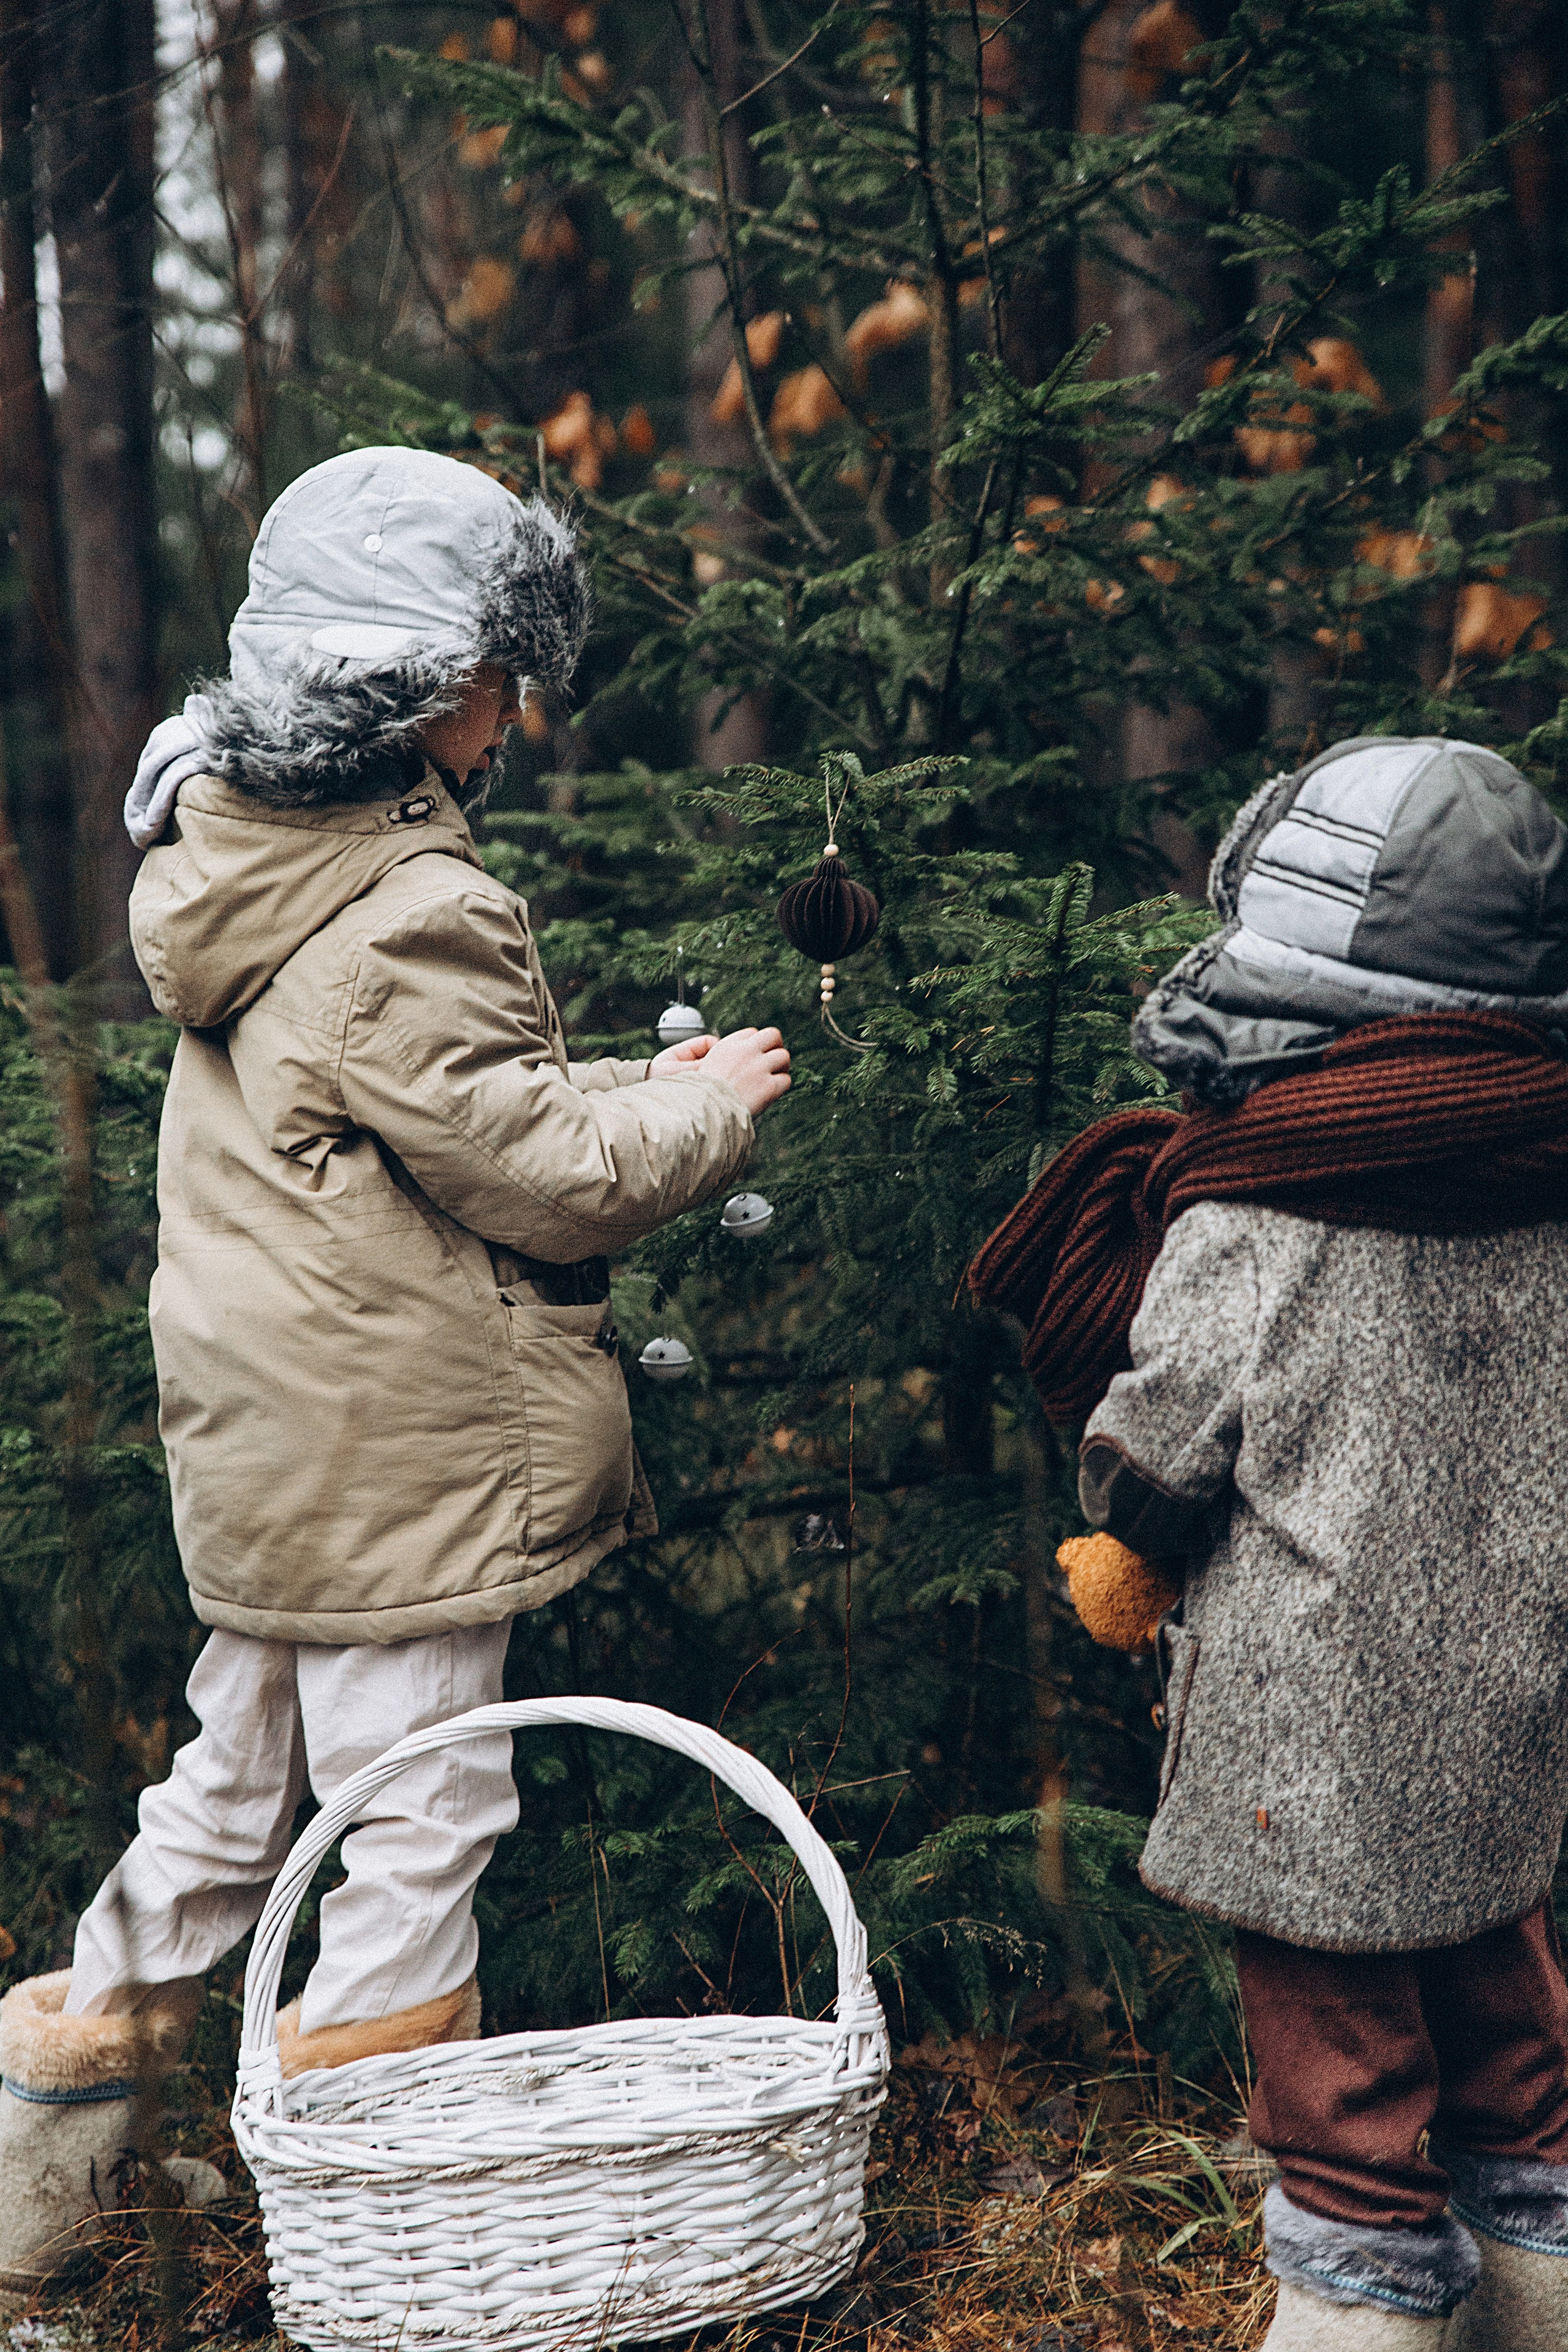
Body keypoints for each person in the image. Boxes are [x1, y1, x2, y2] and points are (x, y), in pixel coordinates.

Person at [0, 447, 790, 2289]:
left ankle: (40, 2182)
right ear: (430, 686)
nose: (521, 713)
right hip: (405, 1457)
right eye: (510, 677)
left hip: (281, 1444)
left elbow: (430, 1126)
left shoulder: (245, 871)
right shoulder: (416, 906)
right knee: (425, 1810)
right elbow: (543, 1178)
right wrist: (713, 1116)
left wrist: (631, 1088)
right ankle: (374, 2213)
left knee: (223, 1796)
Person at [970, 734, 1568, 2352]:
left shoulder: (1254, 1199)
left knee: (1350, 2118)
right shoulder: (1549, 1175)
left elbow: (1159, 1458)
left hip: (1311, 1746)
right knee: (1523, 2088)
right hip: (1512, 1709)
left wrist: (1124, 1535)